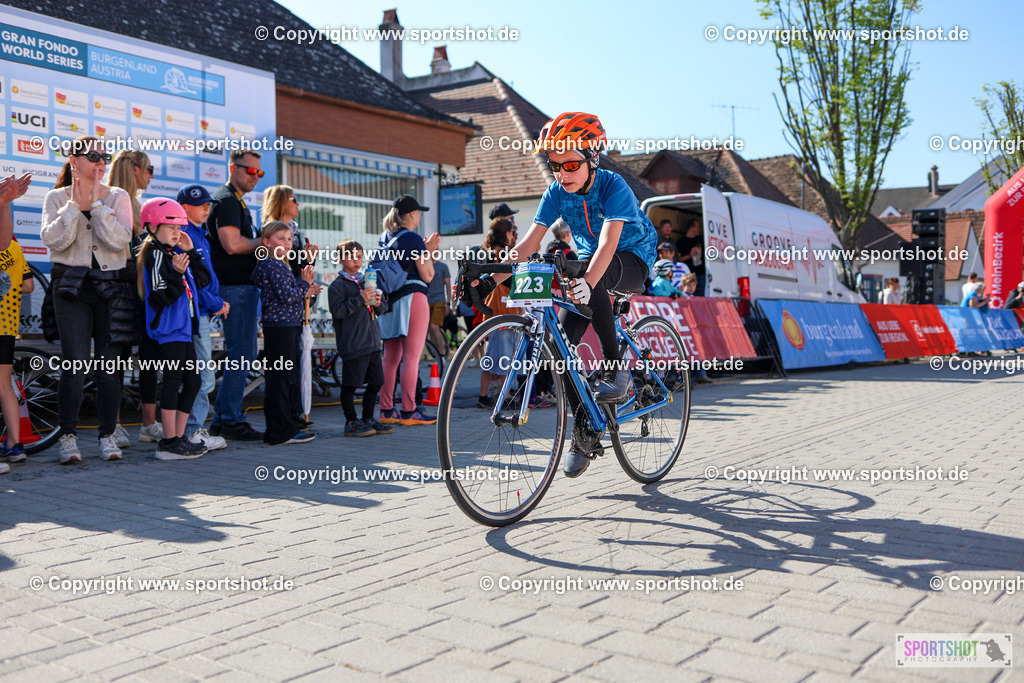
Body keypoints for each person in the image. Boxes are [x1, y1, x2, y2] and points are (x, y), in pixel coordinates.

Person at [469, 112, 656, 477]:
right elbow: (527, 245)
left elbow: (608, 243)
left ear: (592, 159)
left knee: (587, 274)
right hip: (590, 262)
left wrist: (588, 280)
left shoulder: (613, 186)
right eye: (556, 165)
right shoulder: (556, 192)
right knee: (560, 351)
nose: (562, 174)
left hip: (632, 257)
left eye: (571, 165)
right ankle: (584, 428)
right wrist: (489, 278)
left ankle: (615, 368)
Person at [41, 136, 134, 464]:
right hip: (71, 289)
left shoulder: (118, 196)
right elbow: (53, 240)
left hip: (111, 288)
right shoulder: (56, 197)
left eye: (104, 156)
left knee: (109, 367)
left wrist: (97, 205)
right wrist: (74, 206)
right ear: (73, 160)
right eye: (93, 155)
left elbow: (120, 239)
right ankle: (67, 436)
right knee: (75, 363)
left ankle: (108, 435)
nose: (100, 162)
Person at [138, 198, 211, 460]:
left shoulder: (174, 253)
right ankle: (168, 442)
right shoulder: (155, 253)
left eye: (179, 227)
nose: (176, 232)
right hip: (168, 330)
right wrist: (177, 275)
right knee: (173, 380)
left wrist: (192, 253)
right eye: (170, 227)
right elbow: (161, 296)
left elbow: (203, 281)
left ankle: (178, 438)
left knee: (193, 382)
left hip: (184, 329)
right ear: (152, 228)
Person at [207, 149, 264, 441]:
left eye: (259, 172)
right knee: (240, 355)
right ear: (233, 168)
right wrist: (264, 242)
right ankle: (231, 419)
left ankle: (221, 419)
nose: (255, 176)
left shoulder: (236, 200)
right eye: (250, 170)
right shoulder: (227, 199)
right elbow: (231, 245)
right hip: (235, 288)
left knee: (243, 354)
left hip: (241, 288)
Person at [251, 221, 321, 445]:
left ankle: (286, 424)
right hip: (280, 327)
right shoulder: (273, 265)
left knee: (283, 377)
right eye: (280, 239)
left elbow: (290, 293)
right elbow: (287, 296)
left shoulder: (280, 265)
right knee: (279, 378)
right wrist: (304, 284)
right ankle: (279, 431)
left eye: (289, 239)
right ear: (266, 242)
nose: (287, 243)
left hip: (285, 325)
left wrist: (305, 289)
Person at [377, 195, 440, 426]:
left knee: (390, 358)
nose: (420, 216)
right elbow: (428, 275)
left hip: (390, 300)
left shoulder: (384, 237)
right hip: (413, 297)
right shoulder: (413, 238)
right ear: (413, 214)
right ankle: (409, 411)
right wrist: (428, 251)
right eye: (419, 212)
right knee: (411, 358)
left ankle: (386, 411)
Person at [108, 149, 157, 448]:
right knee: (115, 358)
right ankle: (112, 425)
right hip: (116, 292)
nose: (151, 176)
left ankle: (149, 424)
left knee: (148, 356)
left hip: (141, 294)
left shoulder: (140, 206)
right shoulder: (108, 200)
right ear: (135, 170)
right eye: (150, 169)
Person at [177, 184, 230, 452]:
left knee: (200, 377)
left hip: (201, 313)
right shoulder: (183, 235)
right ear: (184, 207)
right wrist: (216, 302)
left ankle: (190, 430)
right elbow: (191, 283)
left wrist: (214, 301)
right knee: (202, 378)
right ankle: (192, 431)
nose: (207, 209)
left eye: (209, 204)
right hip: (194, 315)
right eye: (202, 205)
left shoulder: (200, 235)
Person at [329, 240, 392, 437]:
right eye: (350, 257)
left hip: (372, 342)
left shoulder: (367, 281)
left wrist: (378, 303)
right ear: (340, 259)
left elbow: (382, 309)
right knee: (350, 385)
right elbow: (338, 311)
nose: (356, 261)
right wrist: (360, 299)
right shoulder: (337, 285)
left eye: (359, 256)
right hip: (353, 344)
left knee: (376, 382)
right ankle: (351, 421)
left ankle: (368, 418)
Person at [0, 173, 33, 470]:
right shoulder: (15, 246)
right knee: (4, 386)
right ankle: (14, 444)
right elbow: (29, 286)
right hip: (7, 326)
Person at [477, 218, 517, 408]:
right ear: (506, 233)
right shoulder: (504, 254)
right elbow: (508, 280)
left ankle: (483, 396)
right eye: (512, 232)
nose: (513, 236)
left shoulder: (486, 252)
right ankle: (505, 397)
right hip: (505, 313)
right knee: (505, 357)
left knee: (492, 355)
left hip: (492, 312)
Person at [679, 274, 712, 385]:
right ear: (684, 285)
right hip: (685, 329)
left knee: (698, 350)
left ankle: (700, 373)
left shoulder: (695, 298)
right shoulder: (681, 296)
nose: (692, 287)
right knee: (685, 352)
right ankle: (685, 377)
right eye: (689, 285)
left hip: (694, 329)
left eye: (694, 285)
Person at [426, 259, 452, 358]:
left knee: (434, 327)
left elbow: (448, 286)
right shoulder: (424, 265)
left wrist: (448, 304)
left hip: (439, 300)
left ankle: (441, 354)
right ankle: (435, 356)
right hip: (426, 300)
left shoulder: (443, 266)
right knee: (430, 329)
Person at [676, 218, 705, 296]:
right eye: (698, 227)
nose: (700, 229)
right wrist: (690, 255)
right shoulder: (681, 242)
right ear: (691, 228)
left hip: (701, 274)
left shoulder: (701, 240)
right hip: (688, 276)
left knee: (701, 297)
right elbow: (678, 259)